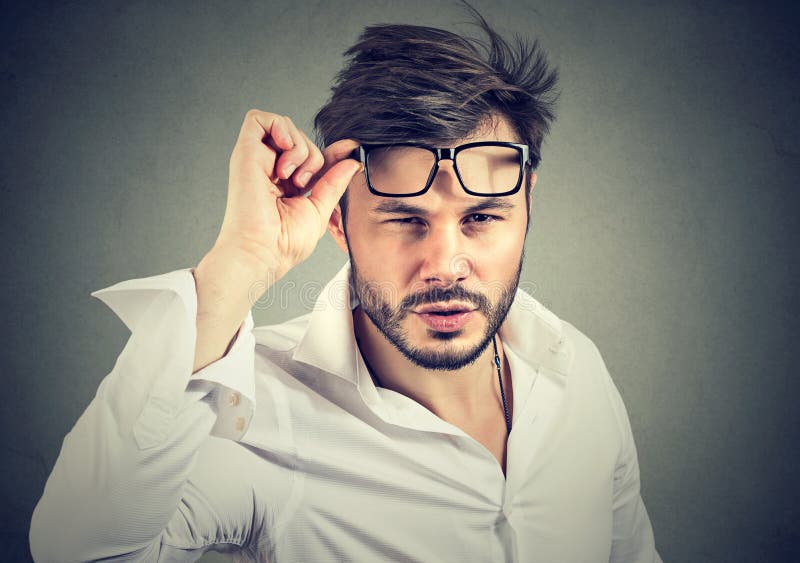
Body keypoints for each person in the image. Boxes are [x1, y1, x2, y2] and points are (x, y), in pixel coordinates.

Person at [30, 9, 662, 563]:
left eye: (482, 218)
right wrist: (241, 261)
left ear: (525, 206)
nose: (446, 263)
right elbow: (83, 552)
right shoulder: (255, 413)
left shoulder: (573, 368)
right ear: (338, 218)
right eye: (406, 220)